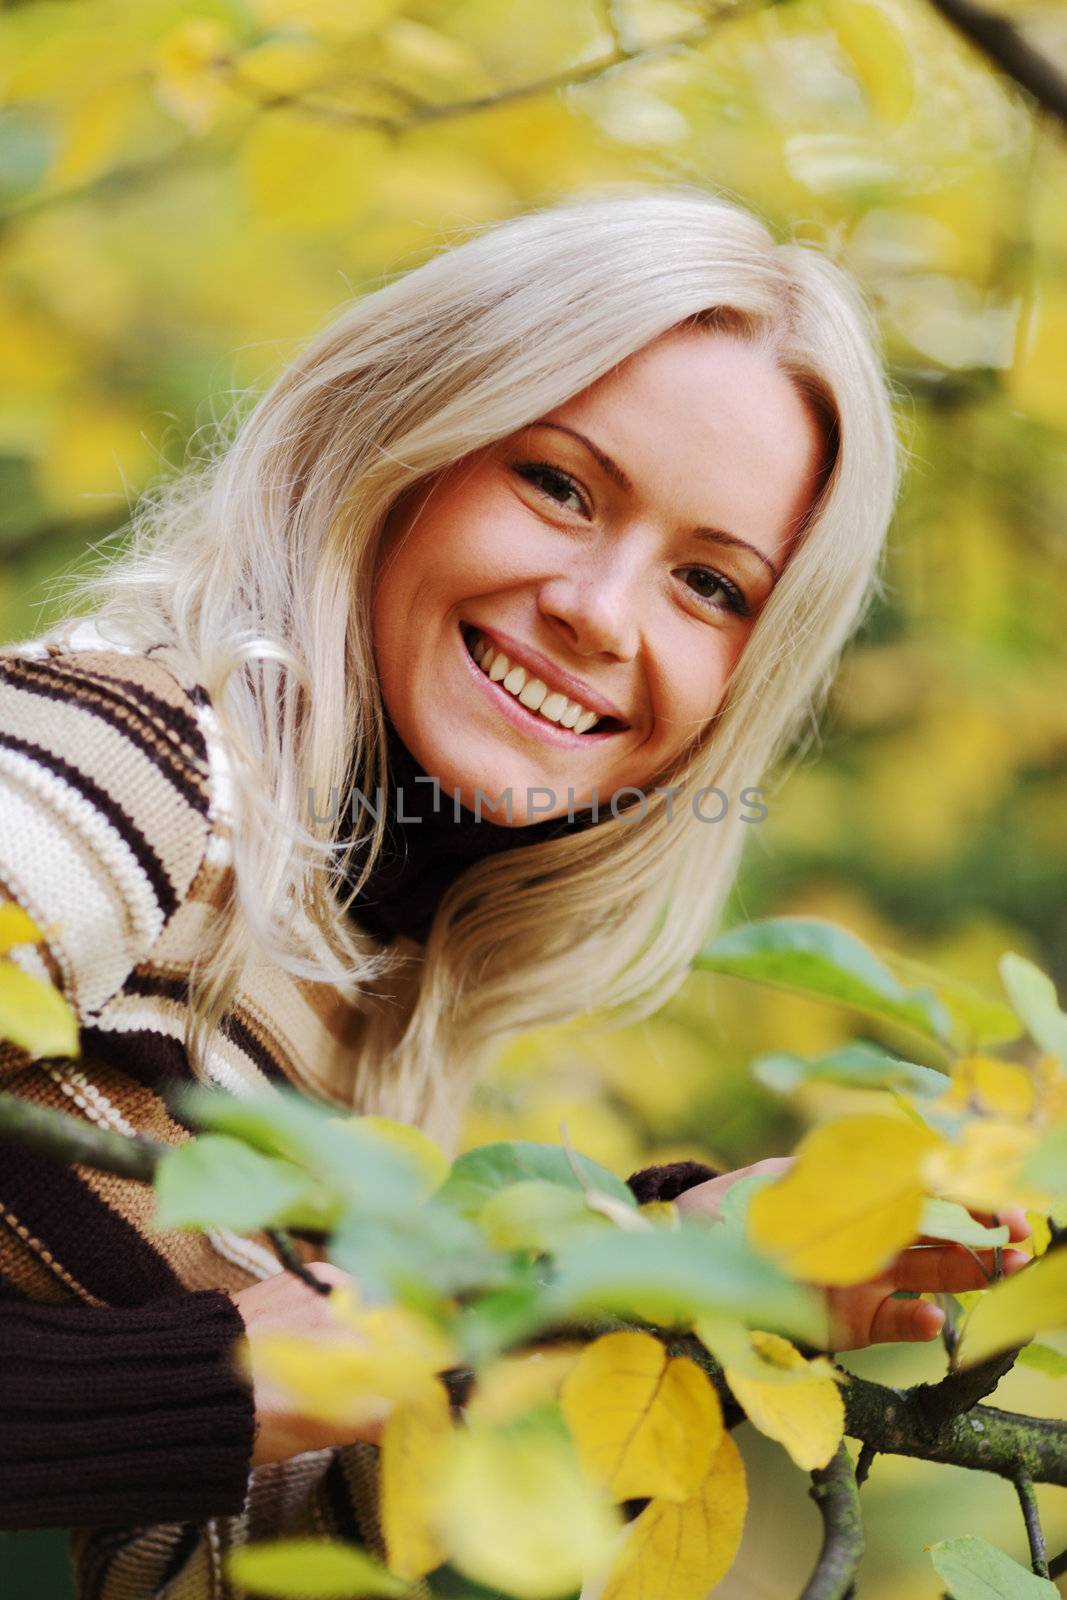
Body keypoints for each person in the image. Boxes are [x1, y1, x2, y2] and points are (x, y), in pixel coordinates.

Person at [0, 186, 1030, 1599]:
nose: (602, 614)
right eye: (557, 483)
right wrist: (236, 1377)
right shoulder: (129, 766)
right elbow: (230, 1400)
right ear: (399, 442)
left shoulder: (364, 974)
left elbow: (261, 1546)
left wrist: (673, 1287)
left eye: (711, 585)